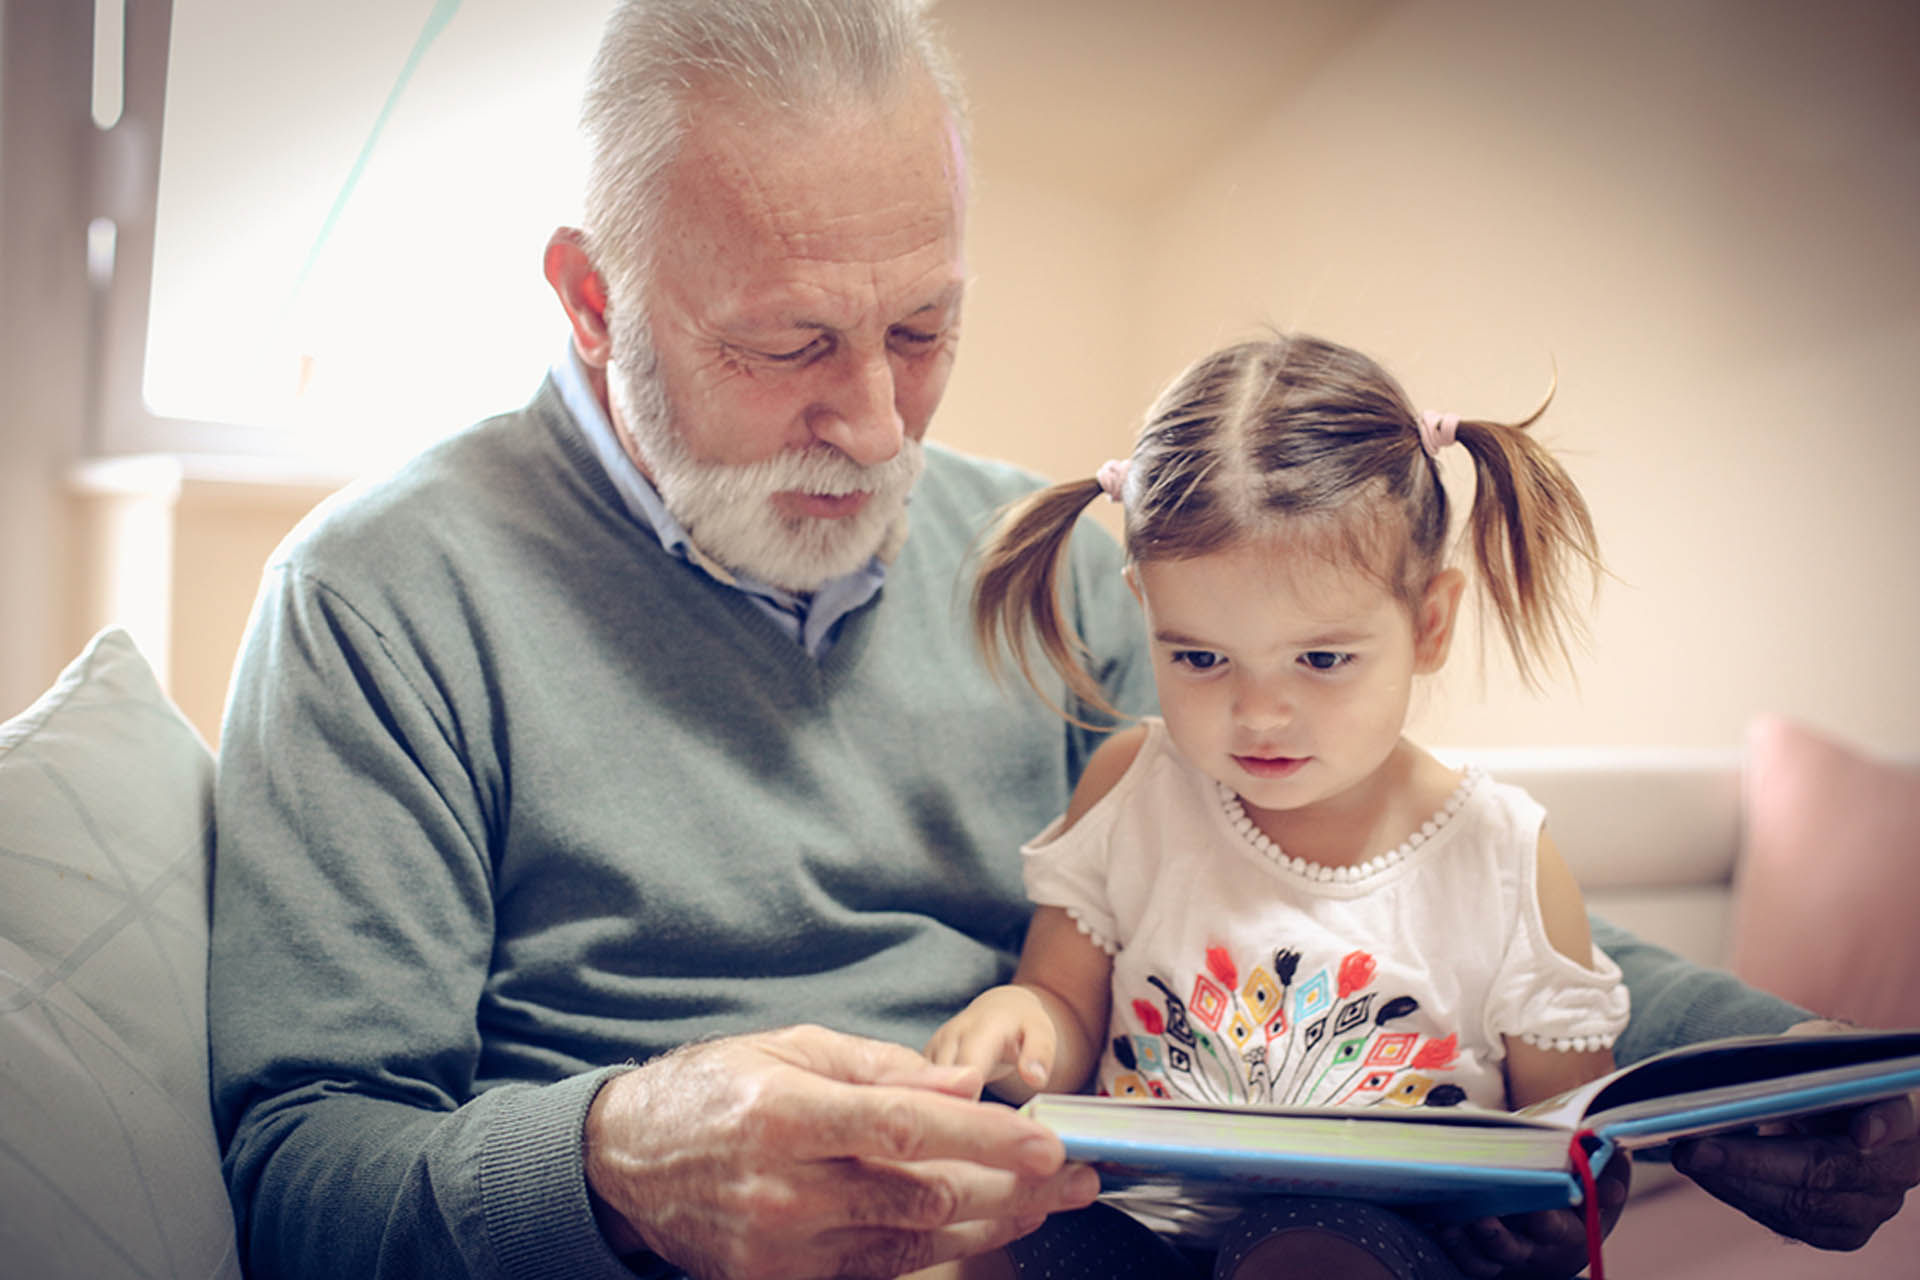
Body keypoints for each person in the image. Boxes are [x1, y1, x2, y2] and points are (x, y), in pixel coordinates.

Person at [204, 3, 1919, 1279]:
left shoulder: (1044, 561)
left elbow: (1390, 864)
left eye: (925, 328)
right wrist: (612, 1161)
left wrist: (1745, 1065)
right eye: (791, 342)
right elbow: (301, 1173)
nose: (877, 426)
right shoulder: (378, 598)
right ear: (592, 298)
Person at [927, 332, 1628, 1279]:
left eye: (1323, 659)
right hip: (1139, 1226)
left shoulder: (1500, 854)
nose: (1257, 713)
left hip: (1382, 1247)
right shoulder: (1137, 787)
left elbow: (1572, 1137)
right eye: (1201, 658)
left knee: (1306, 1251)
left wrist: (1562, 1215)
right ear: (1147, 613)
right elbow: (1065, 1004)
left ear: (1429, 624)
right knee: (993, 1241)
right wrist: (1021, 1022)